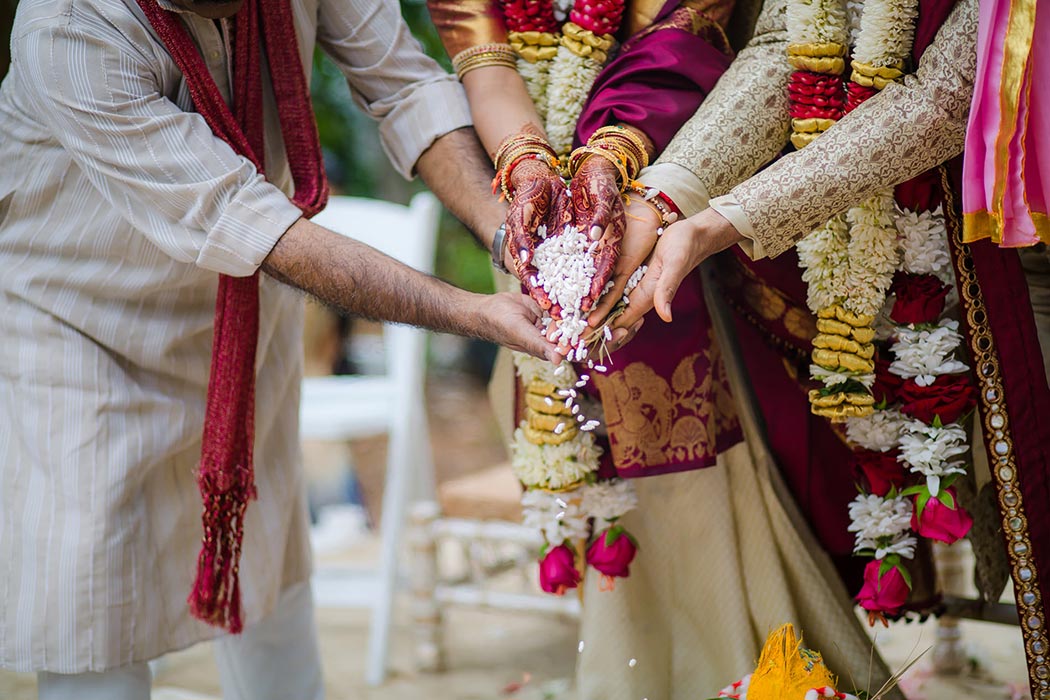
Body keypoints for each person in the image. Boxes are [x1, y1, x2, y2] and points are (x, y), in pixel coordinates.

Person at [0, 0, 622, 697]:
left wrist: (505, 232)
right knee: (95, 602)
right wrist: (473, 311)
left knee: (267, 571)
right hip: (82, 324)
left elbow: (403, 84)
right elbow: (255, 225)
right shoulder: (69, 29)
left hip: (239, 319)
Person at [425, 1, 897, 698]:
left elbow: (678, 47)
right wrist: (527, 167)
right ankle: (625, 669)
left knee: (686, 415)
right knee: (580, 432)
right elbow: (488, 68)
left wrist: (607, 166)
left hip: (663, 179)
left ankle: (743, 663)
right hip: (534, 212)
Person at [612, 0, 1050, 694]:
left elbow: (941, 96)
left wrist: (718, 221)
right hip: (991, 215)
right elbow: (788, 38)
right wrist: (660, 200)